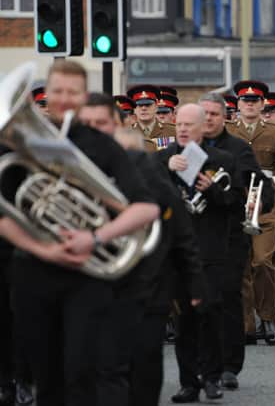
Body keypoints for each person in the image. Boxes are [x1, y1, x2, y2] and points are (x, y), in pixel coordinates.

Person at [0, 60, 159, 406]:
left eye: (72, 92)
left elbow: (145, 208)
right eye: (57, 90)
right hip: (33, 273)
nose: (64, 98)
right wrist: (42, 250)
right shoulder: (18, 141)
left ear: (83, 96)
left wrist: (96, 237)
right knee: (46, 379)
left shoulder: (103, 145)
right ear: (46, 92)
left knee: (80, 373)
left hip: (86, 277)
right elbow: (4, 211)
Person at [78, 93, 205, 406]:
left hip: (146, 285)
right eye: (87, 124)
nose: (94, 131)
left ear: (119, 125)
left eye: (102, 124)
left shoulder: (144, 166)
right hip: (90, 284)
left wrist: (194, 281)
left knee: (143, 368)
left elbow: (179, 231)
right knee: (100, 371)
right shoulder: (68, 166)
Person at [157, 104, 239, 403]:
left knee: (210, 315)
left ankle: (212, 377)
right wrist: (167, 173)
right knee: (184, 322)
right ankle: (188, 382)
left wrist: (213, 190)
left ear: (203, 127)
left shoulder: (222, 160)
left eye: (189, 124)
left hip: (210, 249)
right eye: (178, 123)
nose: (181, 129)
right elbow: (146, 198)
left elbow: (236, 202)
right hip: (176, 251)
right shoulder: (161, 159)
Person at [198, 92, 275, 388]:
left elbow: (259, 185)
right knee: (201, 303)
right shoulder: (188, 147)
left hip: (230, 235)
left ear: (225, 116)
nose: (208, 119)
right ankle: (203, 368)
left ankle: (230, 365)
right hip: (198, 235)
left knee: (229, 298)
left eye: (214, 114)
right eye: (203, 114)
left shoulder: (239, 149)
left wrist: (257, 203)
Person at [226, 80, 275, 345]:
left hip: (265, 205)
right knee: (241, 267)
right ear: (239, 104)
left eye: (255, 101)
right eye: (245, 101)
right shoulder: (228, 130)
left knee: (263, 262)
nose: (250, 105)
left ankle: (267, 316)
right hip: (236, 203)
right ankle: (246, 324)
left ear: (262, 104)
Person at [128, 84, 176, 150]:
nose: (144, 108)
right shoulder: (127, 133)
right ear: (134, 109)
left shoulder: (172, 131)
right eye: (139, 105)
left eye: (148, 105)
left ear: (156, 106)